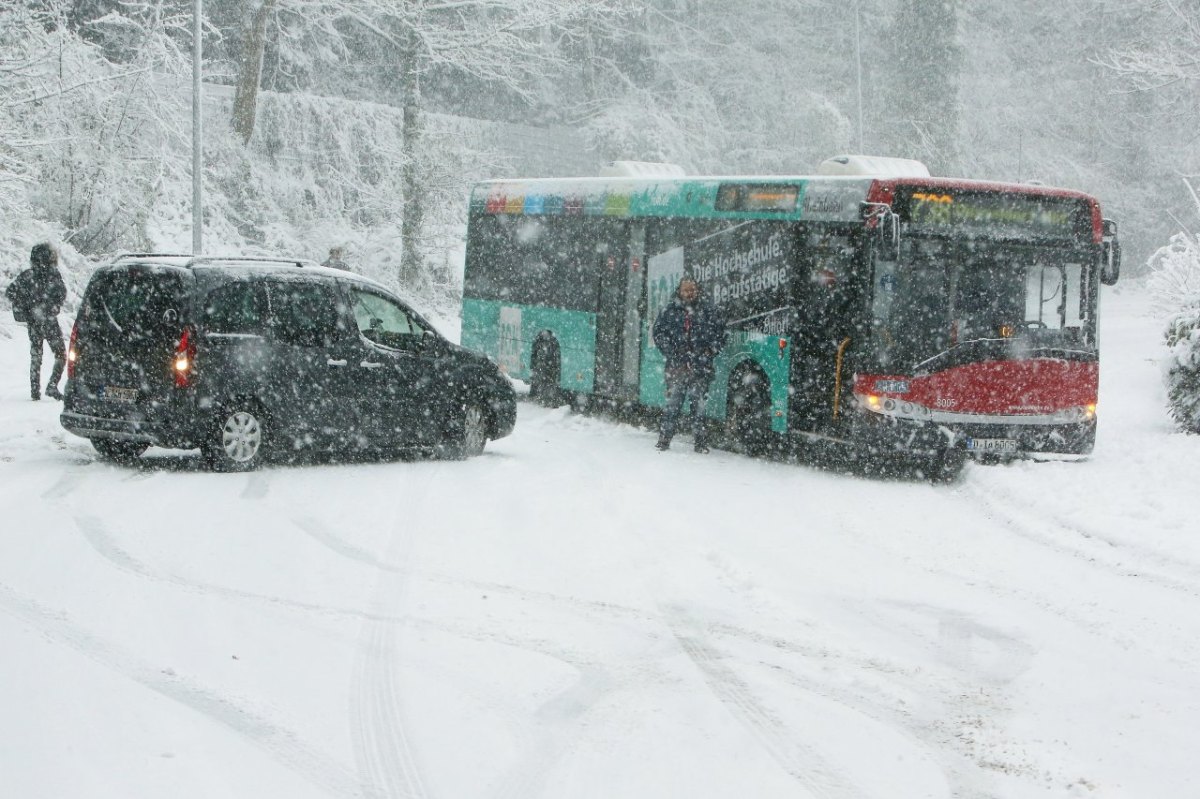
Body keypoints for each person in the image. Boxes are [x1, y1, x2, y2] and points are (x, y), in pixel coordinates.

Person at [652, 277, 726, 453]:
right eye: (686, 290)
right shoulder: (670, 311)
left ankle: (700, 443)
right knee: (672, 406)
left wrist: (710, 351)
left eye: (692, 289)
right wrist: (671, 351)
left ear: (697, 290)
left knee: (698, 408)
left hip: (700, 369)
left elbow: (721, 334)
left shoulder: (708, 311)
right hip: (677, 368)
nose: (689, 293)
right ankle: (664, 439)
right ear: (680, 291)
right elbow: (658, 333)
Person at [5, 242, 68, 401]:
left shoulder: (27, 275)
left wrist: (27, 305)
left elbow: (10, 292)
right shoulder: (54, 275)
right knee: (61, 354)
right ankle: (52, 386)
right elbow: (62, 294)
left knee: (36, 356)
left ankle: (35, 391)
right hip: (50, 322)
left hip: (33, 322)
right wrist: (50, 306)